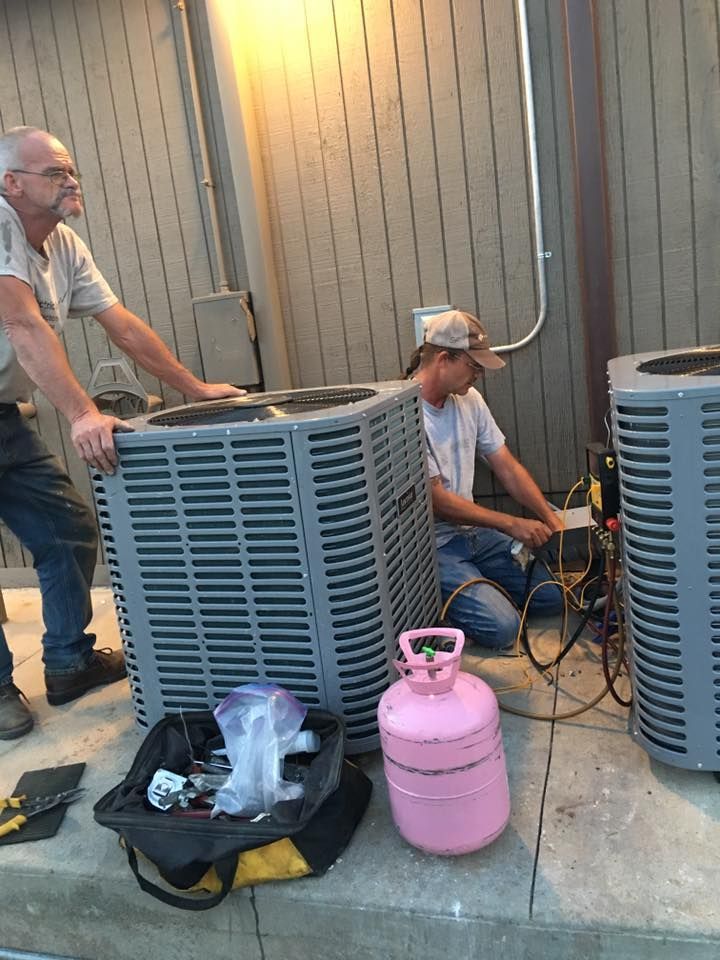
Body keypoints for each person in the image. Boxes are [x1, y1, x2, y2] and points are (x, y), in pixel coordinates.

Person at [0, 126, 245, 739]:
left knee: (68, 531)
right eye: (54, 173)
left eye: (70, 170)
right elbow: (25, 328)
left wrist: (194, 388)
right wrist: (84, 413)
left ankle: (67, 662)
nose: (70, 180)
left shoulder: (63, 245)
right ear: (12, 184)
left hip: (2, 417)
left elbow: (122, 326)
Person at [408, 309, 564, 649]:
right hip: (436, 547)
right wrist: (511, 524)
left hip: (476, 535)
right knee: (504, 629)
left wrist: (551, 518)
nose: (479, 375)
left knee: (552, 597)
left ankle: (479, 587)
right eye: (474, 366)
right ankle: (446, 601)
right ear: (444, 359)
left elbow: (505, 465)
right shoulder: (406, 414)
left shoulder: (469, 400)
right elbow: (438, 501)